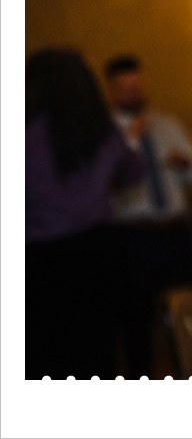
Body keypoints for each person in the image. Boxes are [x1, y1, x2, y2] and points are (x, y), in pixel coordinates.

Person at [26, 48, 145, 379]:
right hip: (97, 254)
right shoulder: (98, 131)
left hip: (39, 260)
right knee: (97, 356)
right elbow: (133, 173)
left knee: (44, 359)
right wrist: (130, 142)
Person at [104, 54, 192, 378]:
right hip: (134, 234)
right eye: (125, 88)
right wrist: (130, 142)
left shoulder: (167, 125)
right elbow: (106, 184)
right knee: (137, 320)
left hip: (175, 231)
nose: (133, 93)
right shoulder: (107, 134)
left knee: (190, 310)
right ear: (112, 91)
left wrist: (186, 163)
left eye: (137, 85)